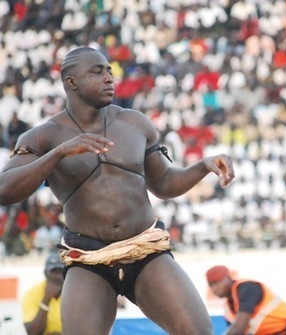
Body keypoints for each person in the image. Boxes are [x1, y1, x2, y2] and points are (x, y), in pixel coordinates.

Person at [0, 46, 235, 335]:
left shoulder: (134, 123)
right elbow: (4, 190)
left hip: (146, 249)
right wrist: (59, 153)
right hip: (87, 258)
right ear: (70, 82)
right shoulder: (44, 136)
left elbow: (162, 184)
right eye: (97, 72)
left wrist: (202, 166)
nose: (109, 78)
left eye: (110, 71)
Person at [206, 265, 286, 335]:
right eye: (211, 285)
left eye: (217, 283)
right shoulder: (228, 309)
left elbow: (239, 328)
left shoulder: (247, 287)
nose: (214, 289)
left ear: (228, 278)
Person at [22, 251, 65, 335]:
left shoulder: (74, 292)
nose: (57, 276)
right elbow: (32, 332)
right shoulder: (31, 294)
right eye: (54, 271)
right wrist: (46, 298)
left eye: (60, 271)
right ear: (45, 273)